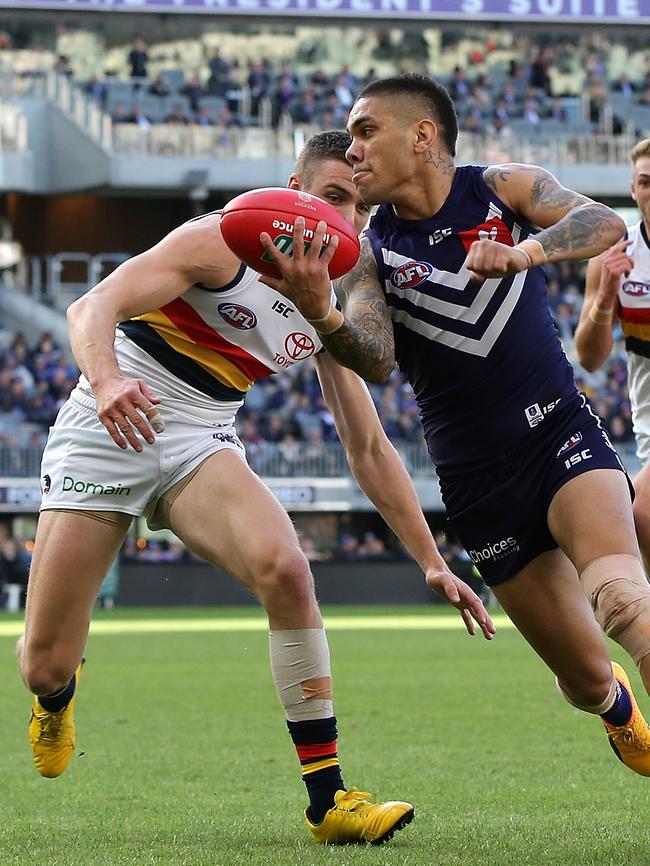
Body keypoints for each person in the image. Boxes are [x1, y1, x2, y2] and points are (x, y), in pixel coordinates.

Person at [19, 129, 494, 846]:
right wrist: (112, 381)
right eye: (333, 197)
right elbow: (92, 310)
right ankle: (56, 697)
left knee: (287, 569)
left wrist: (431, 559)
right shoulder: (218, 241)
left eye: (360, 208)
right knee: (42, 661)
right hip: (108, 422)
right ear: (294, 186)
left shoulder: (333, 292)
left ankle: (329, 803)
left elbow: (366, 445)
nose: (344, 220)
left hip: (202, 435)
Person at [260, 74, 650, 777]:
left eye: (364, 131)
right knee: (586, 680)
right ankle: (616, 704)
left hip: (559, 433)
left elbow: (606, 223)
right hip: (477, 486)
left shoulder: (501, 188)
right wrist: (323, 313)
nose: (352, 151)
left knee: (624, 601)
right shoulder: (369, 253)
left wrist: (524, 252)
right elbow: (376, 357)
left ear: (422, 135)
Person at [575, 139, 650, 579]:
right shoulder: (615, 260)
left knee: (641, 515)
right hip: (647, 420)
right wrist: (606, 297)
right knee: (642, 521)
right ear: (633, 188)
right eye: (646, 182)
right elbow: (589, 357)